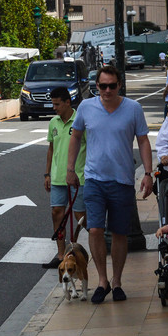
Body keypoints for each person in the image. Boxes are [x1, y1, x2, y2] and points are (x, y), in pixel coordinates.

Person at [66, 65, 153, 304]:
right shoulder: (86, 107)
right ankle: (102, 281)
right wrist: (70, 169)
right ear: (96, 86)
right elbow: (75, 137)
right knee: (94, 229)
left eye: (111, 86)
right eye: (102, 86)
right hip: (94, 179)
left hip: (122, 180)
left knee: (119, 233)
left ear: (119, 85)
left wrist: (148, 173)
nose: (106, 90)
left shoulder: (133, 109)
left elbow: (144, 141)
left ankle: (117, 281)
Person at [42, 87, 87, 269]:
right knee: (57, 214)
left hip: (79, 177)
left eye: (57, 104)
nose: (54, 108)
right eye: (53, 104)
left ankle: (97, 243)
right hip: (58, 178)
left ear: (68, 102)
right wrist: (47, 174)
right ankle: (61, 255)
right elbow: (51, 149)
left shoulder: (80, 121)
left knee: (80, 216)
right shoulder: (53, 123)